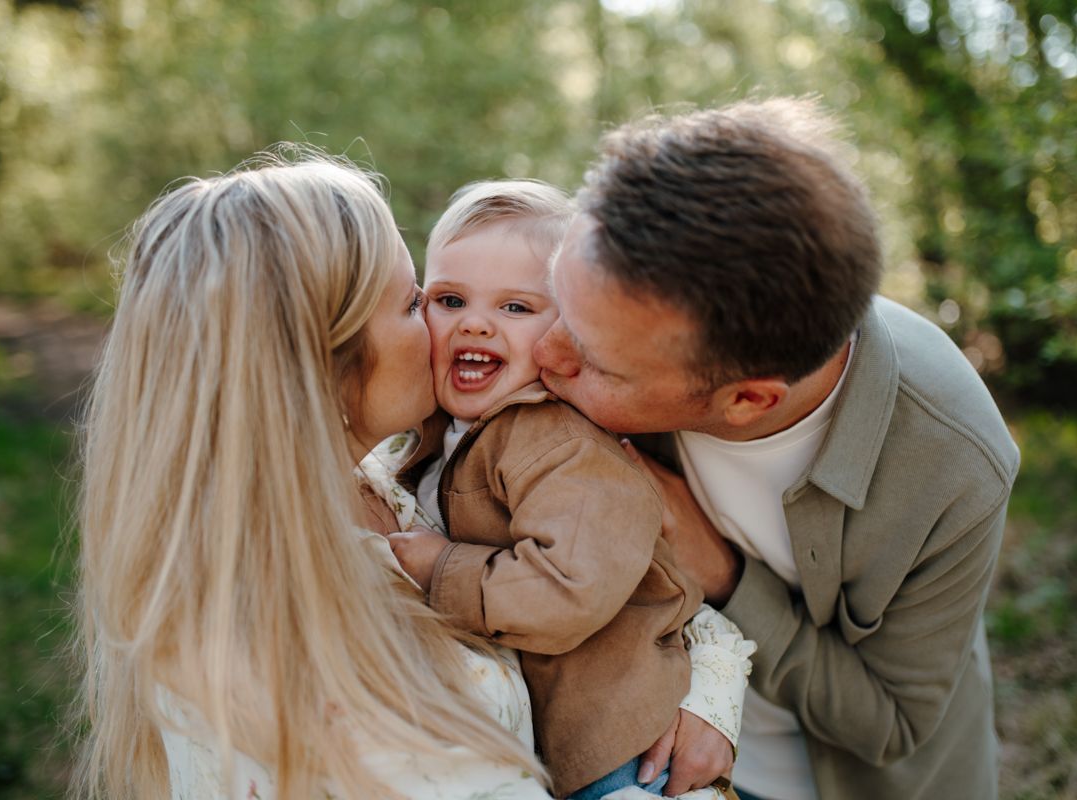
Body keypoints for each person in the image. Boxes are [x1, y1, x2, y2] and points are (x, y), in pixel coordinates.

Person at [532, 97, 1020, 800]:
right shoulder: (623, 323)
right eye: (555, 302)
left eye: (595, 361)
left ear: (748, 401)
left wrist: (725, 574)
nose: (545, 354)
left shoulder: (955, 462)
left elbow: (891, 721)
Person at [71, 150, 552, 800]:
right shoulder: (277, 644)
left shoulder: (382, 481)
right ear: (324, 364)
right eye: (415, 304)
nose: (446, 328)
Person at [380, 180, 755, 799]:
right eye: (449, 300)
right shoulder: (442, 433)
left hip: (629, 759)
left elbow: (571, 586)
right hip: (560, 754)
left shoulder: (559, 442)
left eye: (515, 308)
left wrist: (442, 569)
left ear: (568, 331)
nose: (475, 324)